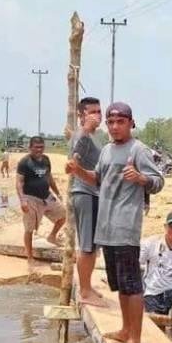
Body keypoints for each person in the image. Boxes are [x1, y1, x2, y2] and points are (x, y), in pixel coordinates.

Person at [66, 102, 163, 343]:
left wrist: (141, 179)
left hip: (125, 226)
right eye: (111, 122)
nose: (115, 126)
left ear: (131, 123)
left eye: (121, 122)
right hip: (106, 227)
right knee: (120, 285)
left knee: (132, 286)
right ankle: (125, 330)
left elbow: (158, 182)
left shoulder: (139, 150)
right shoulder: (107, 150)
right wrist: (78, 172)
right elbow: (98, 179)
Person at [69, 96, 106, 307]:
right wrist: (84, 129)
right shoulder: (81, 135)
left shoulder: (94, 137)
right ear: (82, 114)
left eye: (99, 111)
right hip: (85, 193)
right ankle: (84, 291)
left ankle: (87, 285)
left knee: (92, 245)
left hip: (94, 194)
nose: (98, 115)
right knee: (86, 246)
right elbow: (74, 160)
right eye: (93, 112)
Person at [16, 136, 66, 271]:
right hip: (30, 198)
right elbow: (19, 182)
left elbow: (49, 177)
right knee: (29, 229)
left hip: (46, 196)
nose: (39, 150)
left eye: (41, 147)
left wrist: (58, 193)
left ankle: (52, 236)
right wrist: (22, 200)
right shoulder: (24, 162)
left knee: (63, 215)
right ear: (30, 148)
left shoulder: (46, 159)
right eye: (36, 147)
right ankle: (30, 258)